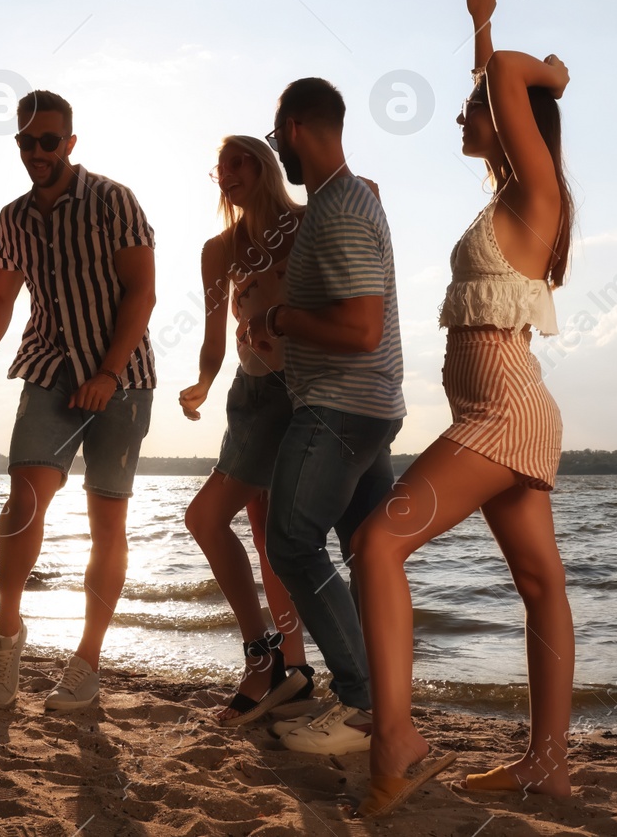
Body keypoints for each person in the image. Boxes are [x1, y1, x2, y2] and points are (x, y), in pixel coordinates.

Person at [350, 0, 575, 817]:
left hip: (502, 412)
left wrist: (544, 69)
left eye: (474, 107)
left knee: (377, 546)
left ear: (517, 125)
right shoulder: (510, 199)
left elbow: (513, 78)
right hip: (505, 411)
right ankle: (546, 764)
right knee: (541, 585)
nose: (462, 113)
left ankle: (397, 740)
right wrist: (481, 28)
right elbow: (495, 81)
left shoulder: (537, 190)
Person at [0, 90, 157, 711]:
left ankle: (86, 662)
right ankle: (7, 635)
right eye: (27, 141)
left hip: (123, 380)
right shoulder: (16, 218)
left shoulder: (112, 199)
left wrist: (106, 371)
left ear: (70, 143)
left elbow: (142, 294)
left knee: (108, 523)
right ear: (17, 143)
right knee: (25, 495)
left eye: (50, 140)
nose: (38, 151)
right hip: (49, 368)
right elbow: (0, 300)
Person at [244, 78, 406, 756]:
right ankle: (381, 709)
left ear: (299, 126)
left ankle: (364, 701)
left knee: (290, 543)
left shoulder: (340, 206)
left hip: (342, 406)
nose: (276, 144)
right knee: (367, 555)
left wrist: (280, 317)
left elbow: (363, 327)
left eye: (278, 131)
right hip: (369, 407)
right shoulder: (344, 200)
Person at [179, 136, 313, 726]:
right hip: (252, 397)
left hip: (309, 392)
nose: (227, 174)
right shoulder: (218, 251)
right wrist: (204, 383)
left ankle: (278, 663)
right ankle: (284, 664)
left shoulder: (309, 222)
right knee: (255, 533)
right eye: (220, 166)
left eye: (241, 161)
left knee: (264, 533)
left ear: (265, 167)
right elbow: (214, 338)